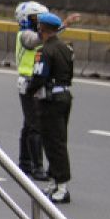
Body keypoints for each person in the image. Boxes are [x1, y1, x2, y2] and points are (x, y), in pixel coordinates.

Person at [27, 12, 74, 204]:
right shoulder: (66, 48)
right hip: (64, 95)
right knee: (58, 139)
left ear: (42, 29)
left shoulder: (44, 51)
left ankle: (61, 186)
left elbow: (39, 76)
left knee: (53, 142)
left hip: (50, 99)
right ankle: (55, 182)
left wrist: (30, 90)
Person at [13, 1, 48, 181]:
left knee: (29, 125)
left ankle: (24, 163)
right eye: (37, 18)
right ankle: (37, 167)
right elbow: (37, 40)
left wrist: (63, 25)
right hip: (28, 84)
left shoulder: (33, 33)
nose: (40, 22)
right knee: (35, 126)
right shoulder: (26, 35)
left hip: (33, 83)